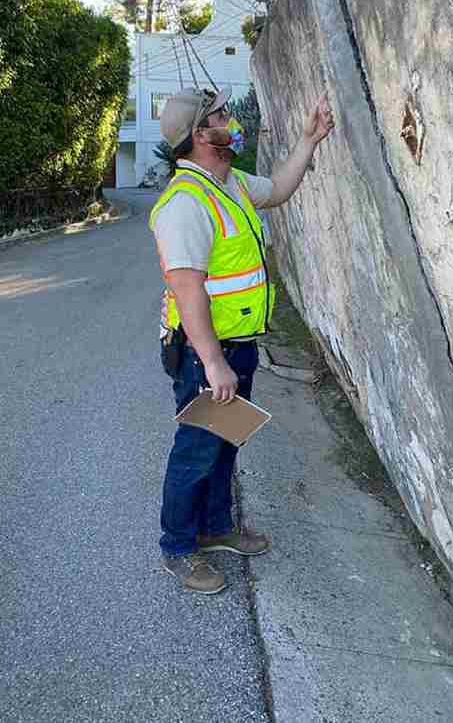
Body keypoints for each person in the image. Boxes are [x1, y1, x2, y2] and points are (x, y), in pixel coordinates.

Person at [150, 84, 334, 595]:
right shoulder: (184, 204)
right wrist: (212, 363)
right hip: (205, 354)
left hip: (238, 344)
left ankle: (214, 528)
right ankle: (179, 547)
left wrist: (309, 140)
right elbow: (188, 291)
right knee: (195, 451)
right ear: (200, 134)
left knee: (225, 444)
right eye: (222, 115)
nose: (232, 120)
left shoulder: (226, 182)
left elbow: (276, 189)